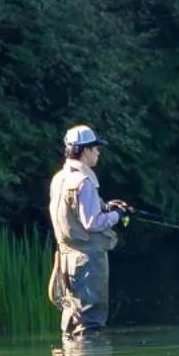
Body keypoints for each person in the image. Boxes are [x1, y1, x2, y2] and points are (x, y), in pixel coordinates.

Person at [47, 124, 130, 339]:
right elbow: (92, 222)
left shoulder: (59, 179)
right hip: (87, 261)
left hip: (66, 259)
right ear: (85, 151)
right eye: (96, 148)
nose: (98, 153)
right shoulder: (83, 182)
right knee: (90, 322)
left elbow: (74, 214)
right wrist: (118, 215)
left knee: (73, 317)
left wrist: (106, 207)